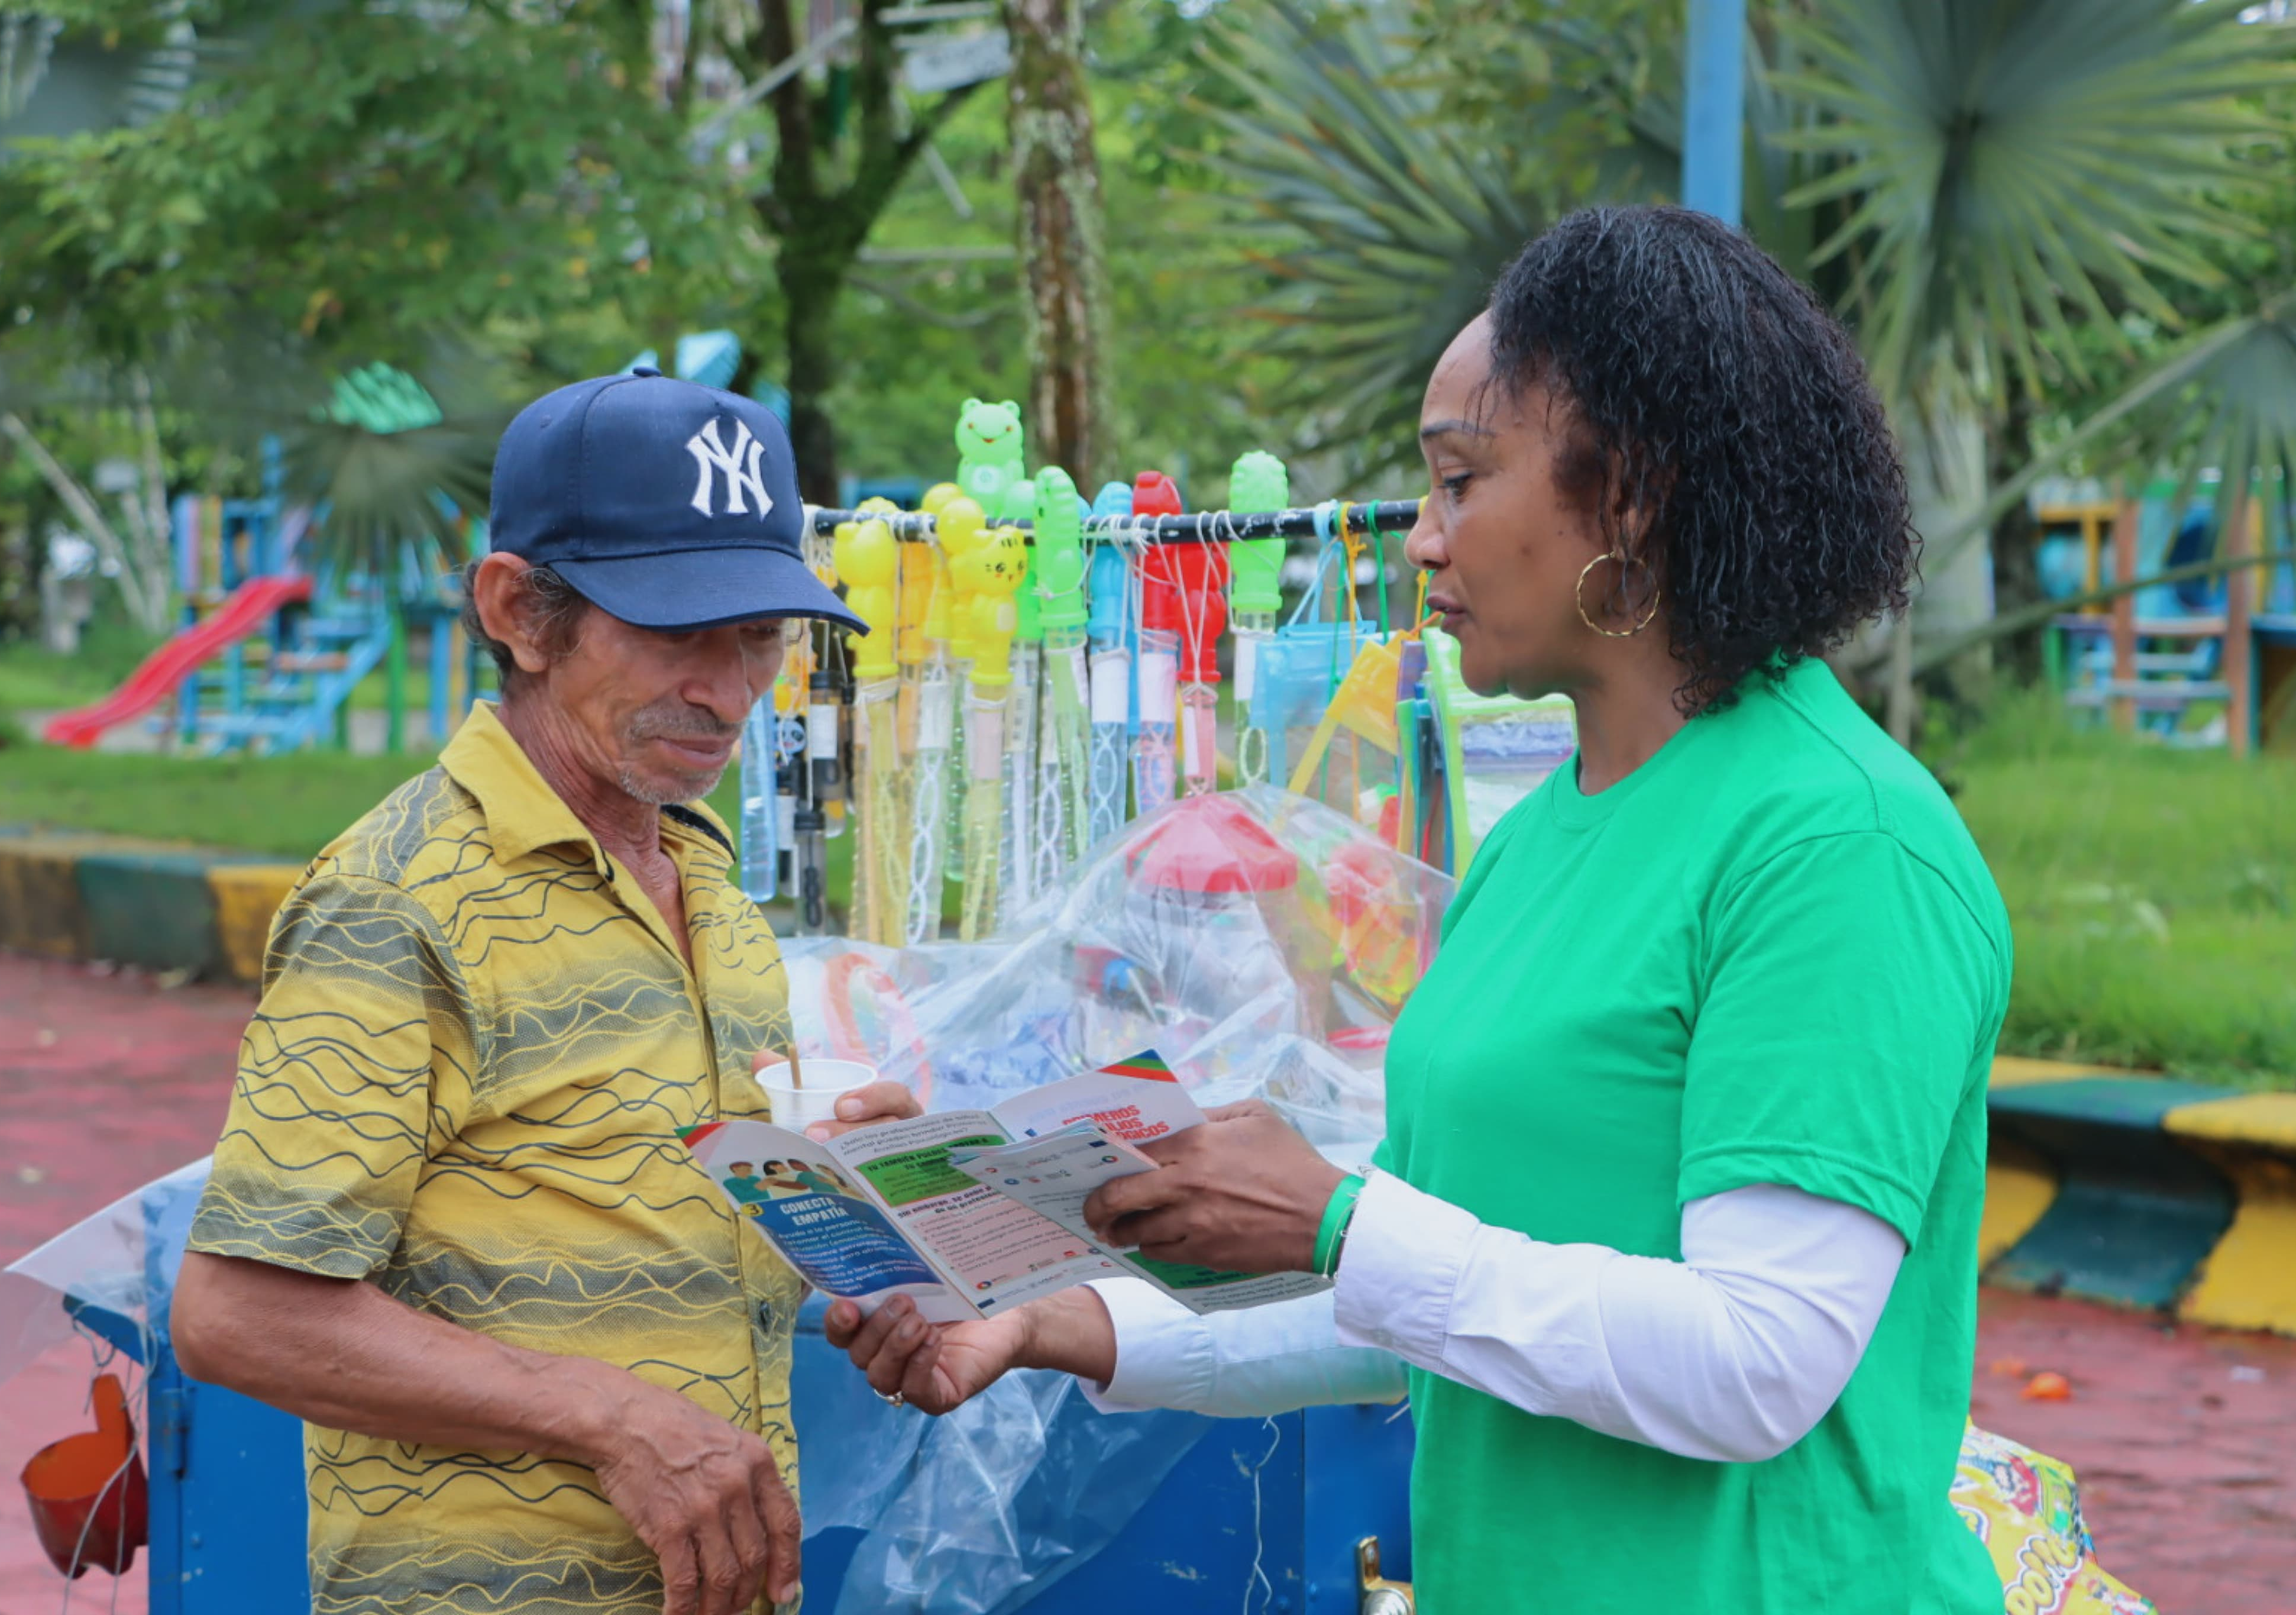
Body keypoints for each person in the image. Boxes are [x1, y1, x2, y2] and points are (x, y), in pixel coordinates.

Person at [827, 207, 2014, 1615]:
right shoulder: (1539, 844)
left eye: (1459, 482)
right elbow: (1435, 1310)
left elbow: (1754, 1364)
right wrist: (1056, 1318)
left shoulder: (1836, 844)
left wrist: (1335, 1217)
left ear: (1629, 491)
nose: (1420, 545)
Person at [169, 370, 924, 1615]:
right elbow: (240, 1312)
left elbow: (641, 1211)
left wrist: (849, 1212)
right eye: (680, 630)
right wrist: (610, 1420)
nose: (730, 691)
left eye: (758, 637)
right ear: (520, 612)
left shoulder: (705, 884)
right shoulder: (399, 902)